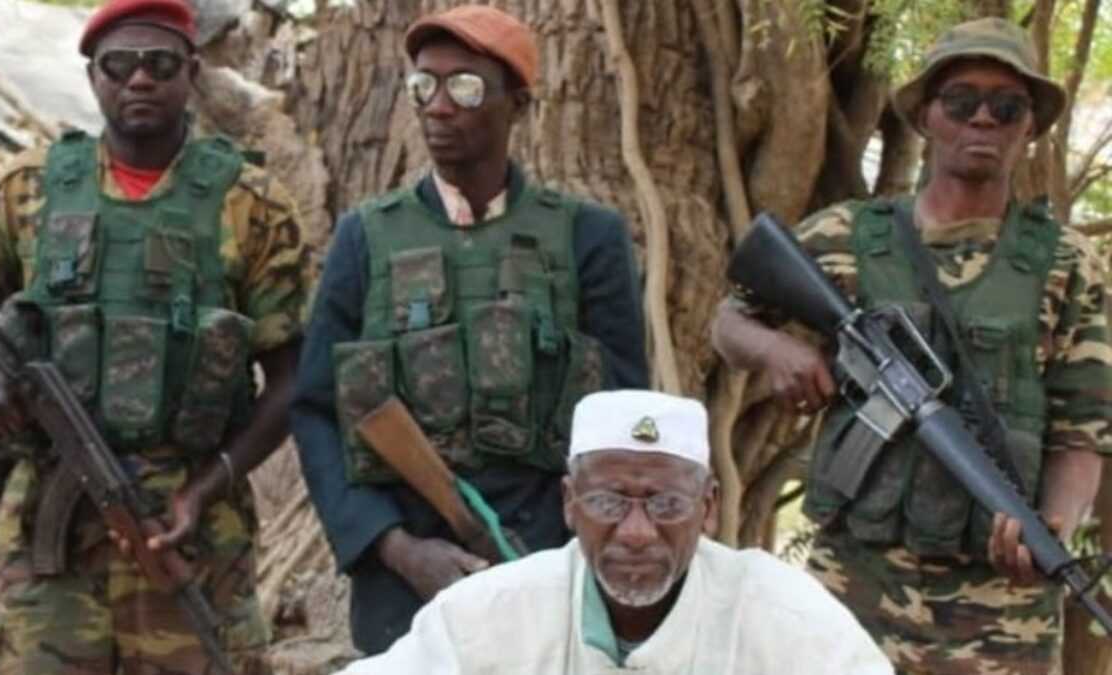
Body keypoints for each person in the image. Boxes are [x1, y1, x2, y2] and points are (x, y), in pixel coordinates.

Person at [712, 17, 1112, 675]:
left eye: (1006, 106)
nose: (982, 118)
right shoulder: (847, 234)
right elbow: (727, 322)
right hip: (852, 580)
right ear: (926, 116)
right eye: (961, 101)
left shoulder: (1067, 263)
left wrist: (1052, 529)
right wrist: (779, 353)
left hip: (1000, 606)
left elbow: (1082, 430)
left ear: (1028, 127)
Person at [0, 0, 312, 671]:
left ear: (192, 71)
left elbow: (290, 379)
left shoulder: (251, 204)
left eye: (160, 63)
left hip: (188, 530)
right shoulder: (28, 191)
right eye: (120, 64)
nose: (140, 79)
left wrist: (205, 487)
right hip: (49, 537)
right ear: (93, 77)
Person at [290, 4, 648, 655]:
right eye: (423, 85)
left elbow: (621, 420)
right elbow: (317, 411)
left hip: (547, 567)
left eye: (465, 87)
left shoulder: (587, 239)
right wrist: (395, 547)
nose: (438, 106)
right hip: (405, 583)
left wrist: (559, 557)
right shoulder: (365, 239)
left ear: (519, 104)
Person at [338, 390, 893, 674]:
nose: (635, 532)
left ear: (709, 508)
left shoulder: (783, 619)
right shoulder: (494, 613)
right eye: (607, 501)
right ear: (569, 504)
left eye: (666, 503)